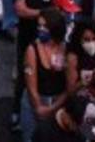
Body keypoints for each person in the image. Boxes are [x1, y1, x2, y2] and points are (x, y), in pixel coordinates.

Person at [21, 8, 70, 142]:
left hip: (59, 101)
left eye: (45, 26)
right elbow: (31, 86)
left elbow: (69, 84)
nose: (41, 29)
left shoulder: (66, 48)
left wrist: (54, 107)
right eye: (39, 25)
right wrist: (39, 108)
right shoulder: (32, 49)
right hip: (36, 101)